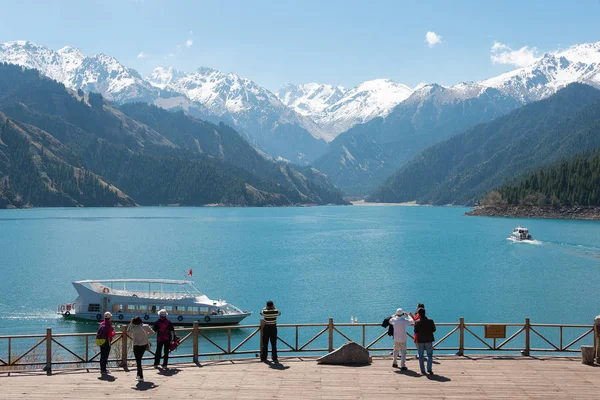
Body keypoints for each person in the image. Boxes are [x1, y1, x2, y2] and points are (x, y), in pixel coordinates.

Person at [129, 316, 155, 382]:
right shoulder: (146, 326)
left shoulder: (134, 327)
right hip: (143, 344)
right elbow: (153, 332)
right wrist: (146, 335)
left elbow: (128, 332)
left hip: (136, 345)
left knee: (138, 361)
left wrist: (130, 324)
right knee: (139, 360)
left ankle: (140, 376)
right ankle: (138, 375)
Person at [414, 308, 436, 375]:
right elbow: (434, 329)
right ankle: (429, 369)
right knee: (430, 355)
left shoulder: (417, 322)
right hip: (429, 339)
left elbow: (415, 331)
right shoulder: (431, 321)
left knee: (421, 355)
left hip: (420, 340)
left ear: (419, 314)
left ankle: (422, 370)